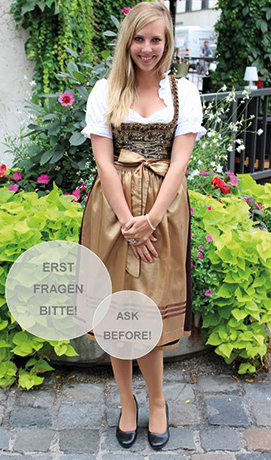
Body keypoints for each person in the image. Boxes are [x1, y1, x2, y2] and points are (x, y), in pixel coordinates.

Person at [79, 1, 206, 450]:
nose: (147, 48)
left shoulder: (182, 93)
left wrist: (150, 220)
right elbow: (103, 159)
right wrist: (128, 220)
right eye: (139, 38)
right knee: (118, 310)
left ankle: (156, 401)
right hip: (112, 212)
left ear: (167, 42)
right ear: (127, 41)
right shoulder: (105, 91)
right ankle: (126, 402)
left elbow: (180, 162)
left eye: (156, 39)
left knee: (148, 308)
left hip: (164, 213)